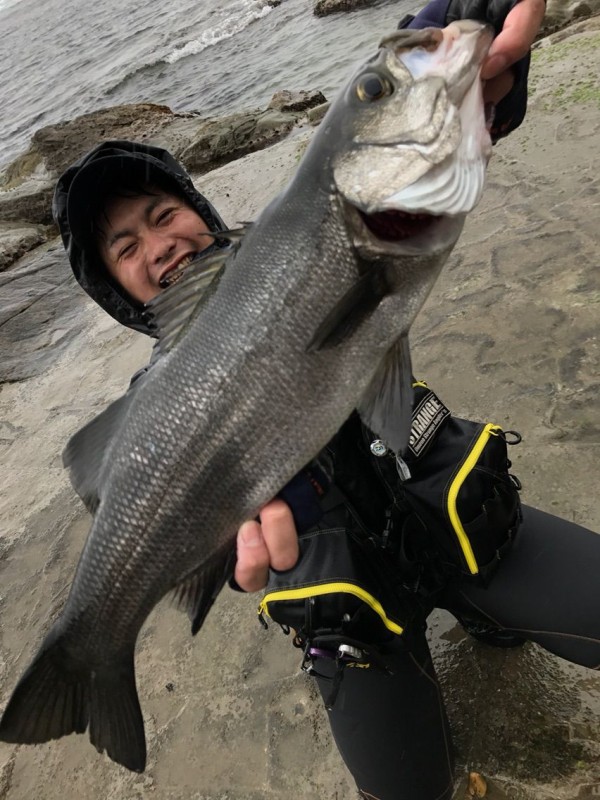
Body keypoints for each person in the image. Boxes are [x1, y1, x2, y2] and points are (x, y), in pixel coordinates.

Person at [53, 1, 600, 799]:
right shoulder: (152, 419)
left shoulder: (305, 230)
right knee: (408, 791)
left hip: (459, 523)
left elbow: (396, 163)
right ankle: (89, 652)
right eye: (126, 248)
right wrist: (202, 556)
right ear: (115, 289)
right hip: (354, 612)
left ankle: (489, 611)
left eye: (162, 214)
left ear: (200, 215)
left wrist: (456, 49)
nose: (158, 244)